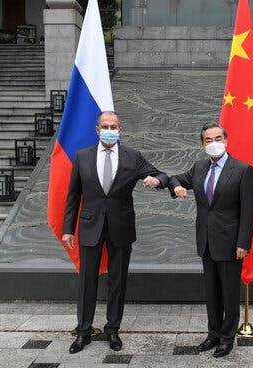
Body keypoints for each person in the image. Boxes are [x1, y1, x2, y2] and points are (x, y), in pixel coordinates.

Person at [62, 111, 168, 354]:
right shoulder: (81, 157)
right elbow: (73, 196)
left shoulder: (133, 156)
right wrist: (68, 229)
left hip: (121, 227)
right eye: (105, 126)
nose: (110, 129)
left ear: (120, 129)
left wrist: (156, 181)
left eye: (115, 126)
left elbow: (159, 174)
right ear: (97, 129)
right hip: (90, 227)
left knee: (117, 281)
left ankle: (112, 329)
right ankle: (84, 331)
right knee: (87, 282)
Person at [169, 122, 253, 358]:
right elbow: (176, 178)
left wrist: (243, 243)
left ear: (226, 141)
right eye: (208, 140)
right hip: (206, 242)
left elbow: (248, 211)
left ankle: (227, 338)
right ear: (202, 144)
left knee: (229, 294)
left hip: (231, 244)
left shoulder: (242, 170)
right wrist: (176, 186)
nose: (214, 143)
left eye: (218, 138)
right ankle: (213, 334)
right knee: (212, 293)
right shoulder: (199, 167)